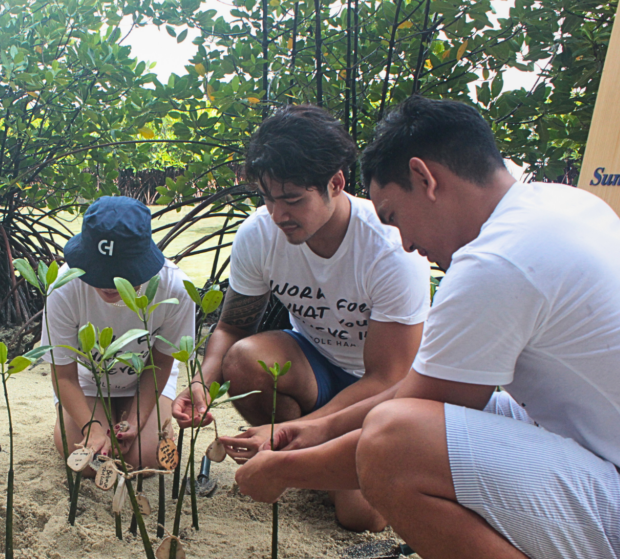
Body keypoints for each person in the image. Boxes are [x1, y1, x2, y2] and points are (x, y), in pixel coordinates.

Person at [234, 96, 620, 559]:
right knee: (468, 412)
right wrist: (316, 429)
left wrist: (283, 471)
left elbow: (401, 434)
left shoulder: (497, 263)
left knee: (394, 445)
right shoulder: (564, 206)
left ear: (425, 178)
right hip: (617, 472)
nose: (404, 242)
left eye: (395, 215)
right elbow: (425, 394)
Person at [173, 105, 430, 531]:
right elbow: (232, 327)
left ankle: (305, 456)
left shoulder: (388, 251)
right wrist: (202, 381)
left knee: (360, 518)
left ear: (336, 183)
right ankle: (307, 458)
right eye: (268, 198)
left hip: (380, 388)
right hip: (314, 366)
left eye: (293, 199)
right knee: (243, 360)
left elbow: (388, 378)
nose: (278, 215)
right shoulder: (260, 234)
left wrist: (289, 432)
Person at [41, 196, 196, 475]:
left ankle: (144, 420)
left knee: (142, 458)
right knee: (91, 462)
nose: (108, 284)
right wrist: (91, 428)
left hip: (144, 379)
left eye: (121, 274)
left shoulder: (175, 288)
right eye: (98, 271)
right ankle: (84, 417)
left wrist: (135, 421)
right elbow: (64, 376)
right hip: (86, 381)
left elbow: (161, 363)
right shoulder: (64, 287)